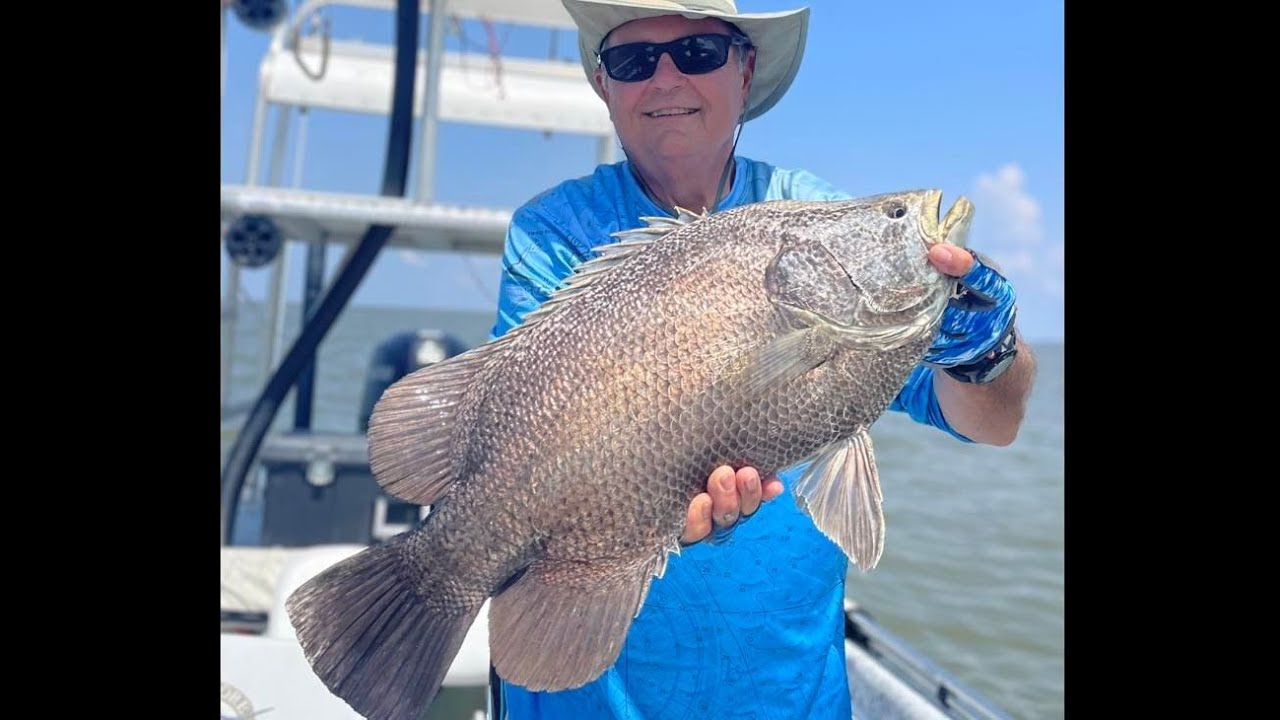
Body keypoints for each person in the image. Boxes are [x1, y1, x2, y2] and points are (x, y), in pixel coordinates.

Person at [487, 1, 1037, 717]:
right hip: (592, 694)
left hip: (786, 696)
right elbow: (514, 440)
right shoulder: (553, 232)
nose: (665, 78)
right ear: (604, 85)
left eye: (699, 53)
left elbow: (992, 422)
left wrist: (987, 352)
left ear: (744, 71)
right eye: (633, 61)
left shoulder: (815, 220)